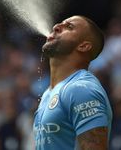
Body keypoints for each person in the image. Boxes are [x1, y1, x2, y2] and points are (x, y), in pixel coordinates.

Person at [33, 15, 113, 150]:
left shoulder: (81, 89)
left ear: (84, 46)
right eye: (60, 24)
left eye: (69, 27)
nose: (56, 27)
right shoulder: (48, 93)